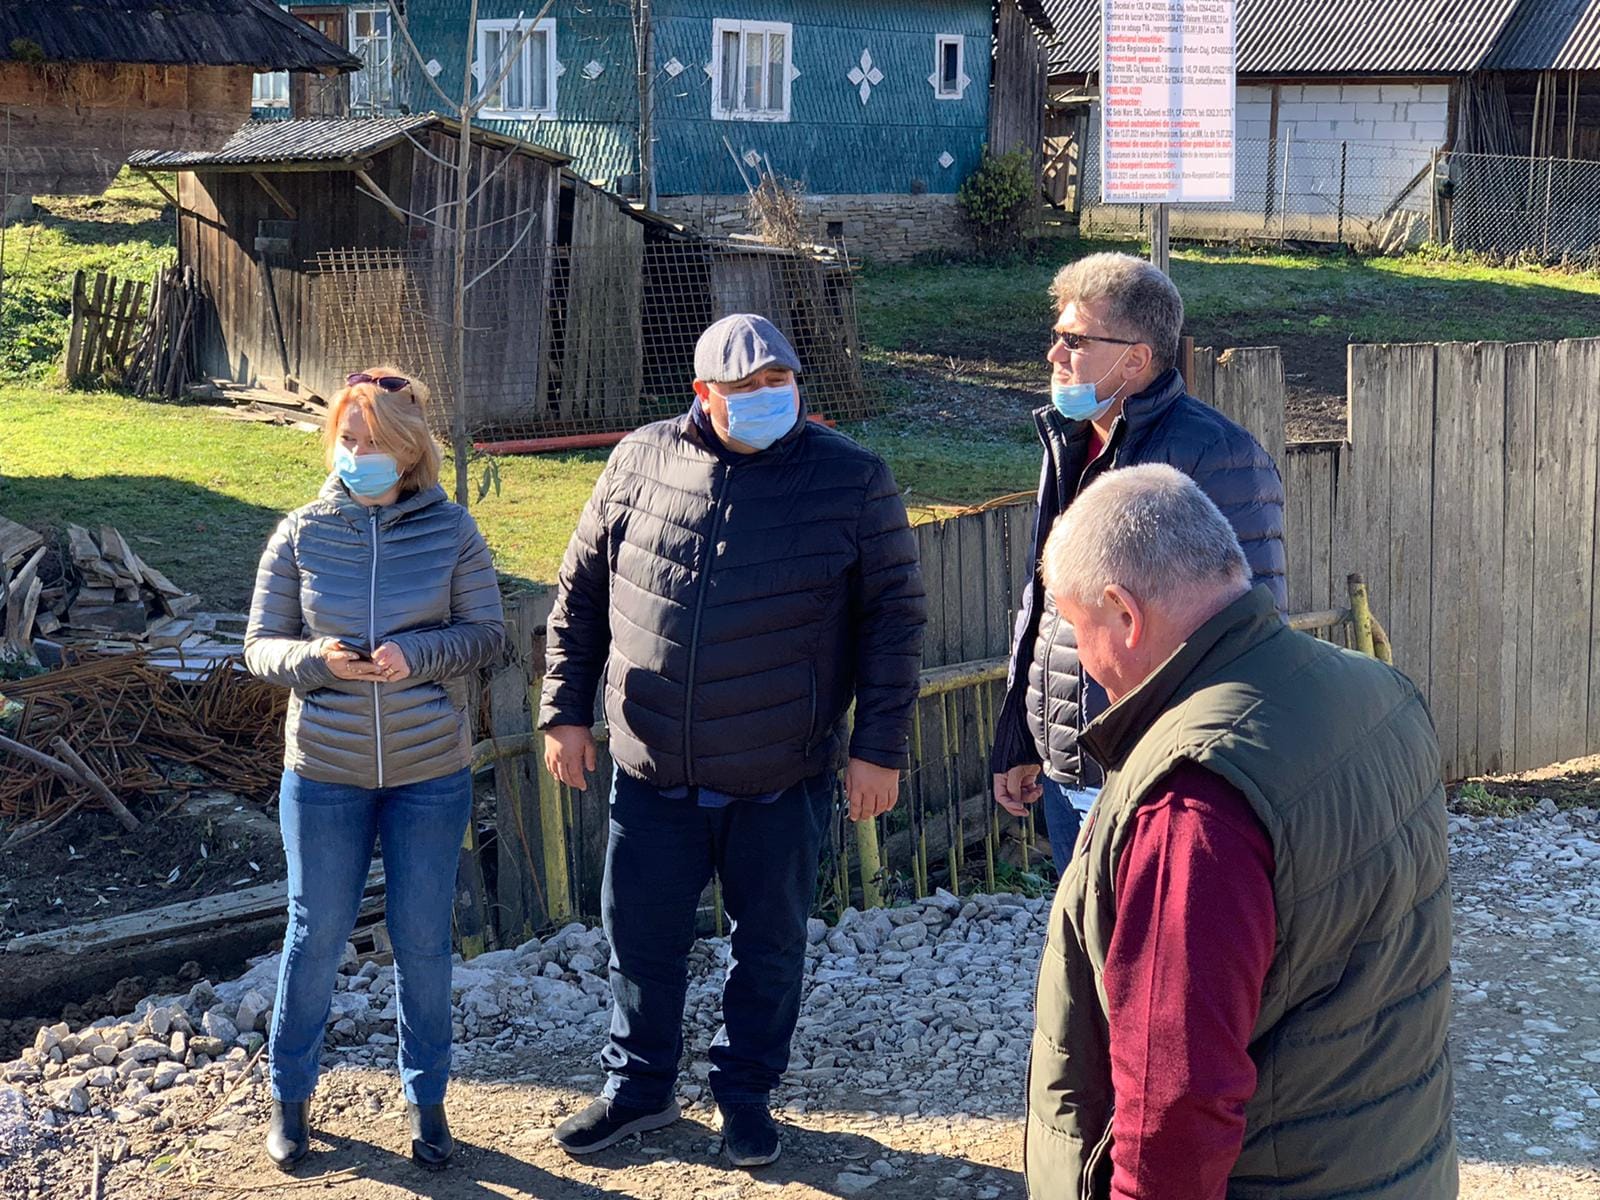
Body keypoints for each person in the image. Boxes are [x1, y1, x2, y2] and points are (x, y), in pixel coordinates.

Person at [539, 314, 925, 1168]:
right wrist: (563, 712)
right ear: (702, 394)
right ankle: (638, 1088)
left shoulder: (852, 479)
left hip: (779, 770)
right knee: (640, 940)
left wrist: (879, 749)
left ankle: (745, 1095)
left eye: (777, 382)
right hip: (652, 766)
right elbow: (580, 596)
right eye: (744, 387)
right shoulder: (639, 460)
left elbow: (894, 624)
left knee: (770, 947)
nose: (765, 398)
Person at [1025, 463, 1455, 1200]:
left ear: (1124, 615)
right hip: (1399, 1167)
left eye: (1075, 627)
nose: (1085, 664)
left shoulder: (1193, 802)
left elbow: (1174, 1116)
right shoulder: (1379, 691)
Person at [244, 368, 505, 1173]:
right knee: (315, 934)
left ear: (411, 451)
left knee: (422, 940)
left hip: (430, 773)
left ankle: (429, 1103)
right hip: (324, 771)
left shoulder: (453, 531)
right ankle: (290, 1098)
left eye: (376, 442)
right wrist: (314, 660)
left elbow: (487, 634)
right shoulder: (299, 533)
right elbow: (258, 647)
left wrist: (415, 654)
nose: (358, 454)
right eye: (348, 439)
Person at [990, 252, 1286, 872]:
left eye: (1075, 340)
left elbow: (1248, 634)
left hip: (1158, 781)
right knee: (1085, 934)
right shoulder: (1069, 440)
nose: (1054, 353)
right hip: (1068, 772)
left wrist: (1193, 781)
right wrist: (1021, 737)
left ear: (1135, 359)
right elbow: (1046, 602)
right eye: (1057, 335)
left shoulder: (1218, 454)